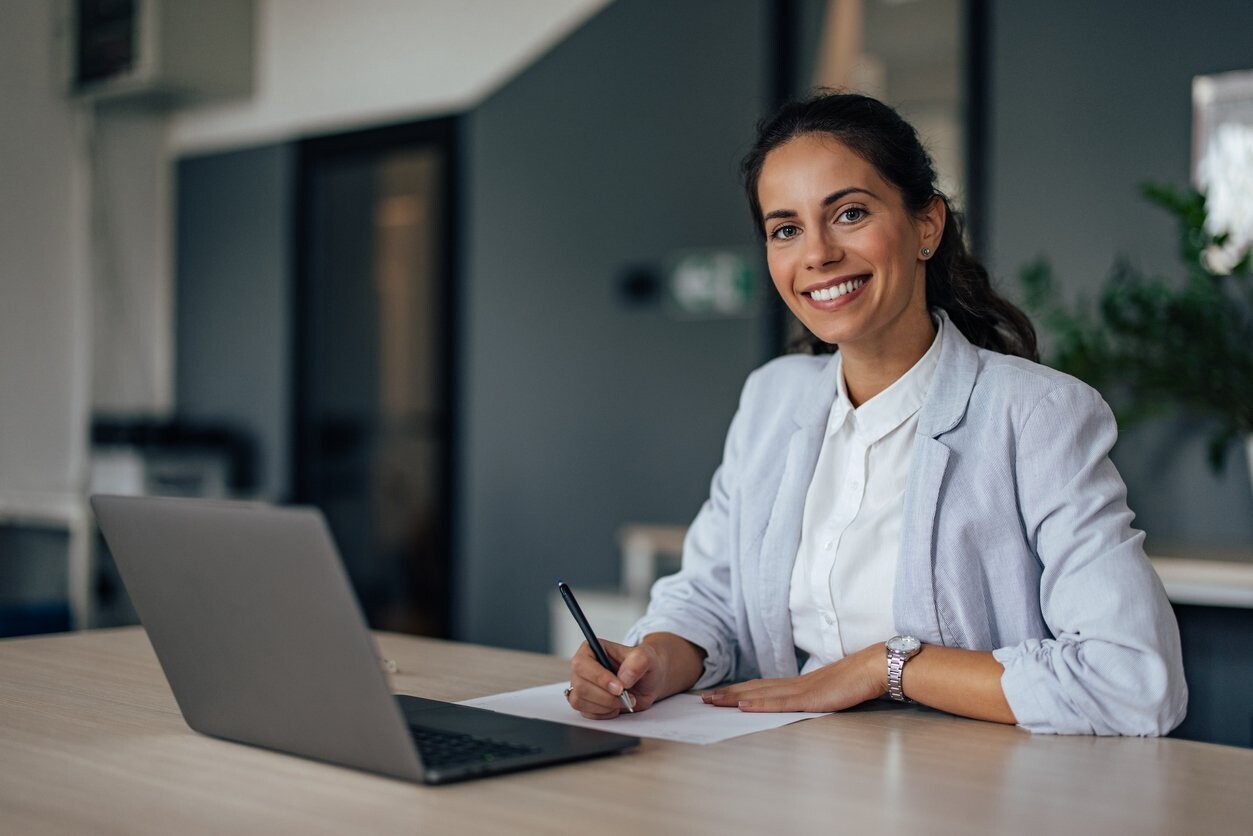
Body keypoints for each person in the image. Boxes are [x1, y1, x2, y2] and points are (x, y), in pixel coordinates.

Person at [565, 91, 1187, 735]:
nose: (817, 254)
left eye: (850, 213)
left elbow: (1133, 681)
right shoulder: (772, 399)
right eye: (786, 229)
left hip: (975, 794)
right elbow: (712, 597)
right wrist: (653, 663)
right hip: (780, 777)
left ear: (927, 226)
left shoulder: (1037, 414)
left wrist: (886, 666)